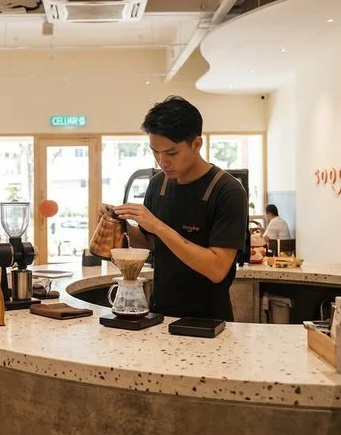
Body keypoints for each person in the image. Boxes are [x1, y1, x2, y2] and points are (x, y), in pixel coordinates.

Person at [100, 95, 248, 321]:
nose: (162, 161)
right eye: (155, 151)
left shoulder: (227, 190)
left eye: (171, 153)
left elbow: (217, 269)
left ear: (196, 144)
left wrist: (158, 226)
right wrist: (121, 223)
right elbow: (150, 244)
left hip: (209, 321)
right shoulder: (158, 184)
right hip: (159, 313)